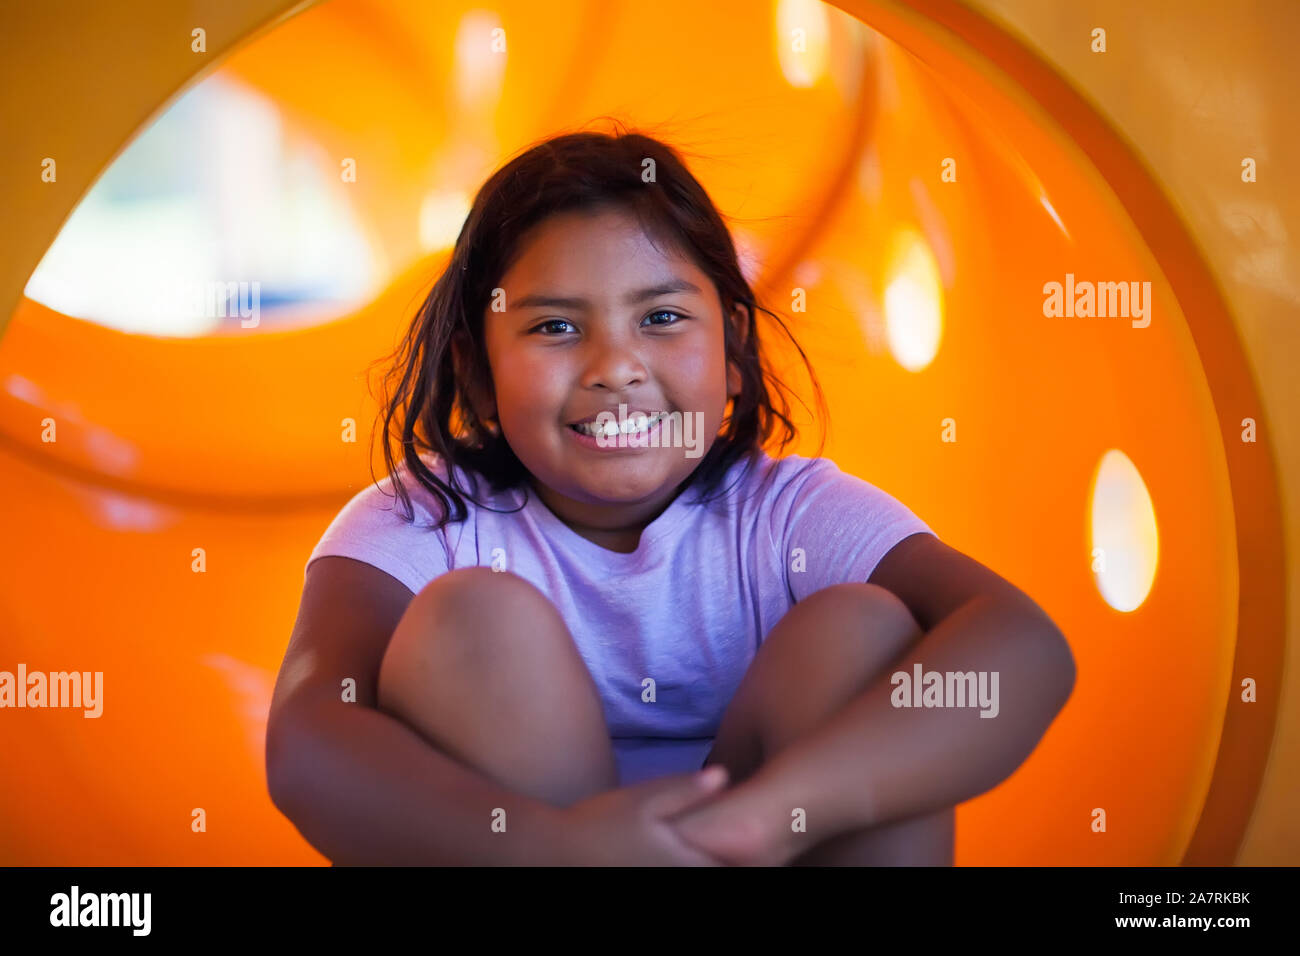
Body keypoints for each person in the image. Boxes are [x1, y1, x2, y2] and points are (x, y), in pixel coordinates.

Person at [266, 124, 1076, 866]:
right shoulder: (423, 524)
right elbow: (307, 740)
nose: (615, 366)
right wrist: (561, 849)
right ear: (478, 376)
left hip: (755, 839)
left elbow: (1022, 644)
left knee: (864, 629)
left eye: (659, 317)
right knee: (471, 619)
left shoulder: (785, 515)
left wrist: (769, 816)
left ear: (730, 352)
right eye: (554, 327)